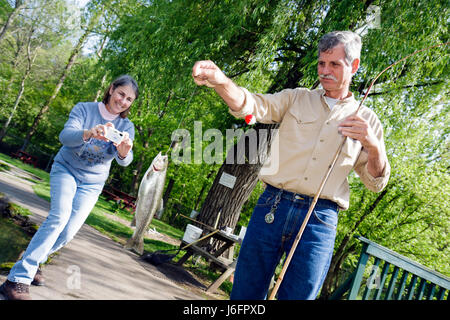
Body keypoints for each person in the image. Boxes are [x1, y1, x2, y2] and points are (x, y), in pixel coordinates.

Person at [192, 31, 390, 300]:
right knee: (245, 293)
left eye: (335, 65)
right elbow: (250, 106)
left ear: (353, 66)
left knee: (299, 295)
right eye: (321, 63)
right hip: (272, 205)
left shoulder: (367, 119)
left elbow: (376, 182)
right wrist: (219, 81)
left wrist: (373, 145)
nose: (325, 71)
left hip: (320, 219)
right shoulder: (296, 98)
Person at [0, 75, 138, 300]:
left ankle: (31, 257)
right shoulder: (84, 109)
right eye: (121, 94)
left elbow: (125, 160)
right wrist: (89, 133)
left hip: (92, 183)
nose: (123, 101)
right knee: (59, 217)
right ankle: (17, 280)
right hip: (67, 170)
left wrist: (123, 150)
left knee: (67, 232)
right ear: (111, 89)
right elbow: (64, 136)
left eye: (129, 99)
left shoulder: (126, 126)